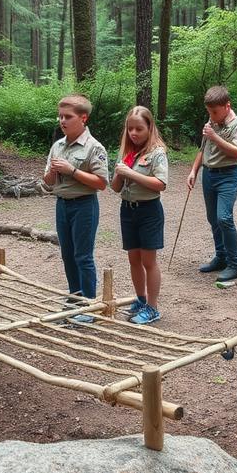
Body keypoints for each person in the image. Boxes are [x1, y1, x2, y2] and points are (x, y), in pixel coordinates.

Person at [42, 95, 108, 321]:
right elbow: (48, 182)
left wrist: (72, 171)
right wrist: (51, 173)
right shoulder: (57, 146)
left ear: (83, 118)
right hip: (62, 205)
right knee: (67, 255)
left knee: (83, 256)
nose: (62, 121)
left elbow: (101, 183)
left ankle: (89, 306)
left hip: (84, 206)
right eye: (60, 116)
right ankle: (75, 297)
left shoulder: (94, 147)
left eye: (68, 117)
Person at [111, 106, 168, 325]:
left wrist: (131, 173)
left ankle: (153, 308)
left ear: (149, 128)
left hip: (149, 211)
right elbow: (115, 187)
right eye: (130, 129)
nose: (134, 133)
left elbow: (161, 184)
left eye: (139, 129)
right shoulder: (126, 152)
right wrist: (119, 173)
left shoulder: (157, 153)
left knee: (148, 261)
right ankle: (141, 299)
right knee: (133, 258)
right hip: (127, 209)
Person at [187, 86, 237, 283]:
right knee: (213, 218)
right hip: (209, 174)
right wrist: (194, 171)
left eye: (214, 111)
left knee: (224, 218)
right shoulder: (211, 122)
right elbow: (202, 148)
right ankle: (221, 257)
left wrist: (215, 136)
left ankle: (234, 264)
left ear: (227, 106)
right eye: (209, 112)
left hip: (228, 175)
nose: (211, 116)